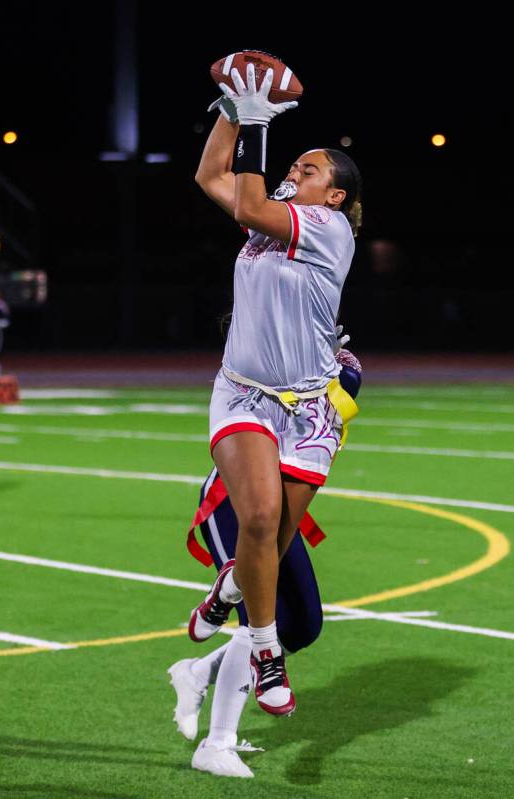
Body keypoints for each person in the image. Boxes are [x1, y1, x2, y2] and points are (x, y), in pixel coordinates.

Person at [189, 60, 362, 728]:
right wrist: (233, 110)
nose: (298, 170)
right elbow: (211, 178)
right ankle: (266, 652)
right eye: (293, 161)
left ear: (335, 197)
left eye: (310, 169)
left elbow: (252, 200)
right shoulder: (271, 220)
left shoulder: (326, 229)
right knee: (258, 519)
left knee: (273, 541)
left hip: (310, 411)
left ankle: (228, 589)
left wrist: (256, 126)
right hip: (241, 394)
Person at [169, 346, 363, 778]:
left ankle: (198, 670)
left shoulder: (319, 362)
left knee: (305, 623)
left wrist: (335, 370)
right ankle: (217, 743)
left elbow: (342, 401)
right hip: (231, 504)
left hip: (275, 505)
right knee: (261, 616)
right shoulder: (262, 357)